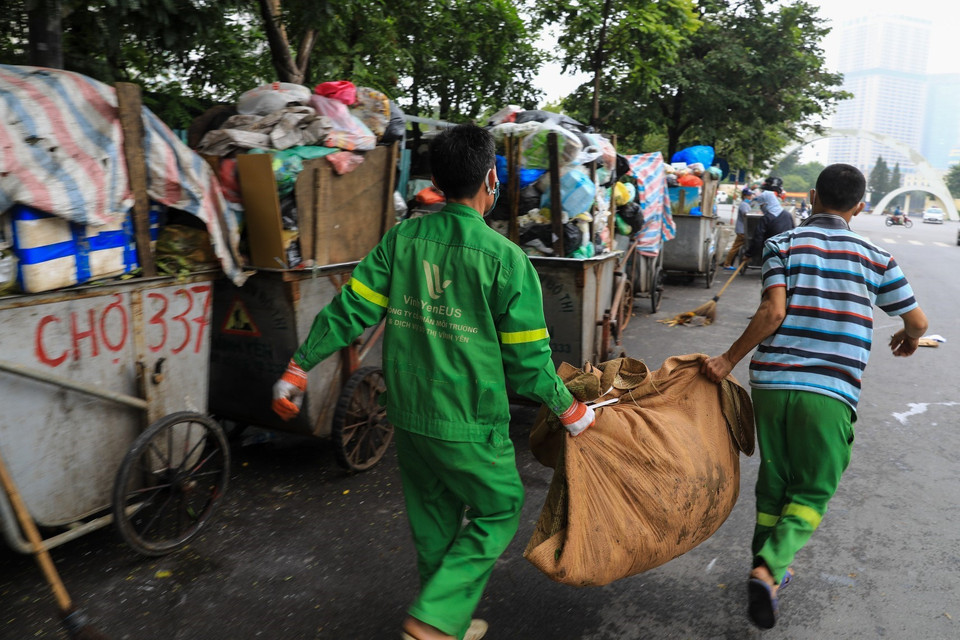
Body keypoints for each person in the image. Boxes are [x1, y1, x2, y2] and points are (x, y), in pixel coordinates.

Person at [271, 124, 595, 640]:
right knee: (500, 506)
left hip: (411, 412)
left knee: (435, 518)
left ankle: (447, 619)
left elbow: (351, 309)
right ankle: (435, 620)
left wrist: (299, 365)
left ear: (436, 183)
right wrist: (571, 410)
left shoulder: (402, 238)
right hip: (469, 419)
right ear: (492, 178)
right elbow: (528, 363)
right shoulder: (506, 258)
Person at [700, 163, 928, 630]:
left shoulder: (784, 244)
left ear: (815, 198)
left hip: (771, 384)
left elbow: (772, 311)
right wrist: (906, 335)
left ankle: (765, 566)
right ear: (860, 207)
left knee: (776, 478)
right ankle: (769, 568)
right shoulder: (875, 256)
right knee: (814, 487)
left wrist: (727, 360)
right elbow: (919, 322)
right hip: (829, 389)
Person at [744, 179, 794, 262]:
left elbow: (758, 239)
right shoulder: (787, 215)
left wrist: (748, 254)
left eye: (762, 205)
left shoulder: (766, 218)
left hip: (771, 255)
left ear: (766, 203)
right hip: (787, 255)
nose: (761, 208)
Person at [723, 187, 753, 270]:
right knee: (735, 248)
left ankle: (728, 262)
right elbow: (746, 215)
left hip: (743, 229)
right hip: (742, 230)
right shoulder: (744, 204)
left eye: (750, 195)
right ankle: (727, 264)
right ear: (744, 196)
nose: (749, 197)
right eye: (748, 195)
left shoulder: (746, 204)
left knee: (736, 248)